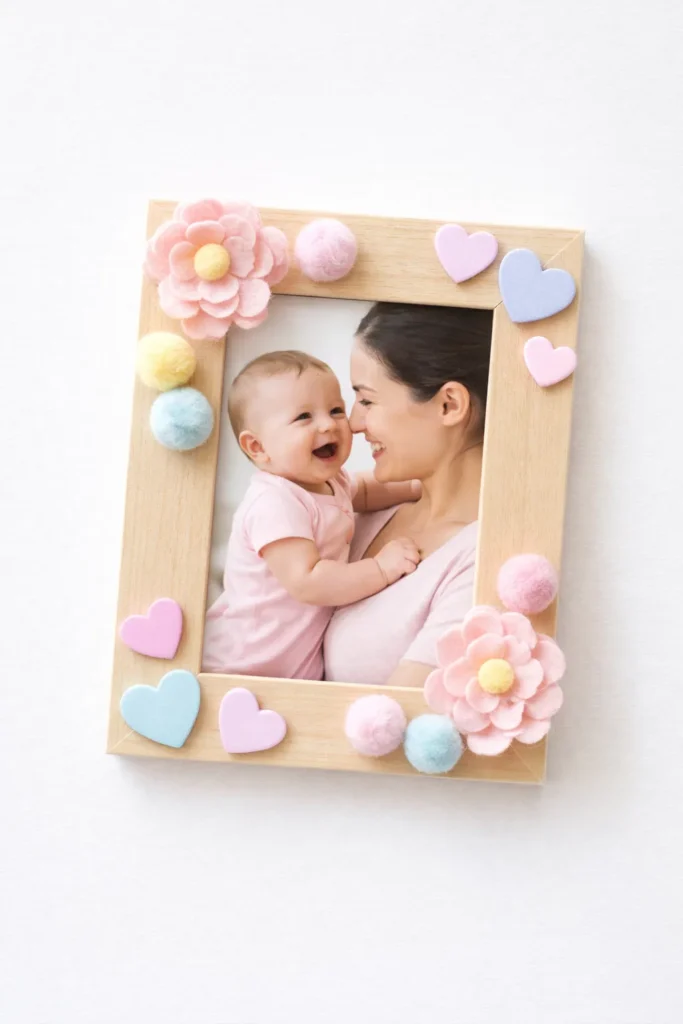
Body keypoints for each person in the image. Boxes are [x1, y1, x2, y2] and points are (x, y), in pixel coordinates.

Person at [202, 350, 420, 680]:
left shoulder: (331, 481)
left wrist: (419, 484)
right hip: (239, 665)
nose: (328, 424)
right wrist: (380, 569)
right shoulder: (273, 502)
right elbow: (308, 581)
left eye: (335, 410)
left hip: (290, 672)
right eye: (304, 417)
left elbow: (362, 490)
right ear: (258, 447)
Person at [324, 301, 492, 688]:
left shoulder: (483, 562)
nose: (353, 423)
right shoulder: (364, 511)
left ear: (449, 404)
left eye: (367, 400)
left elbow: (401, 724)